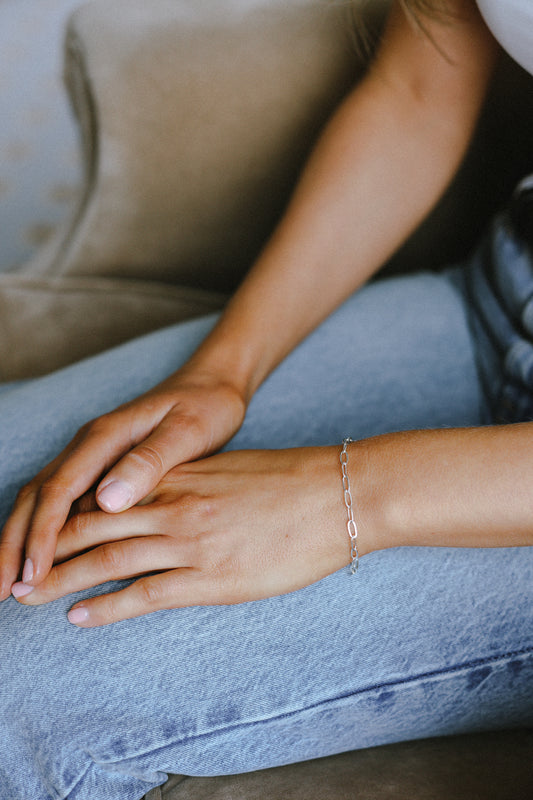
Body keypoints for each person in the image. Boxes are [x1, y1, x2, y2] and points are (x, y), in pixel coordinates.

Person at [0, 0, 532, 798]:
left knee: (25, 689)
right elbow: (419, 89)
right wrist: (223, 371)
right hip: (499, 301)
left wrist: (343, 496)